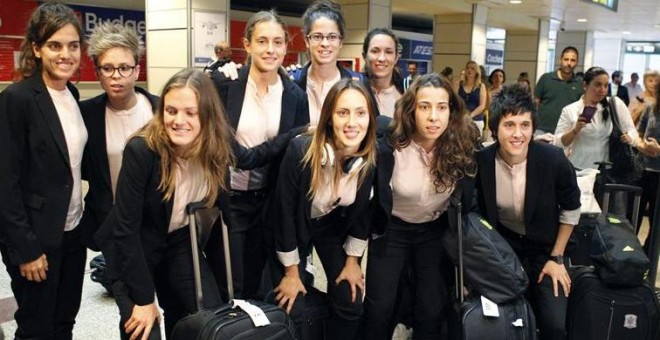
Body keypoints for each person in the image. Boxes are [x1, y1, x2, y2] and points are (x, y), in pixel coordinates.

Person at [99, 69, 235, 340]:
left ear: (207, 116)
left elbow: (221, 223)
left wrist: (228, 296)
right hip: (133, 248)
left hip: (180, 243)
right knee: (143, 330)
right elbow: (126, 230)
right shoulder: (142, 151)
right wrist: (144, 300)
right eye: (171, 111)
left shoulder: (216, 153)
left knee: (206, 323)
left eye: (190, 113)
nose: (178, 120)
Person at [362, 73, 477, 340]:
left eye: (441, 107)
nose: (434, 116)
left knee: (431, 307)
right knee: (380, 305)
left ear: (452, 111)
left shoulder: (462, 144)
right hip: (392, 229)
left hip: (434, 231)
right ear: (412, 110)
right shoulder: (389, 139)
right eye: (425, 107)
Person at [0, 4, 88, 339]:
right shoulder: (17, 99)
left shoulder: (72, 94)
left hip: (72, 232)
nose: (65, 54)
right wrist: (26, 250)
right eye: (55, 45)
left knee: (65, 321)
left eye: (73, 45)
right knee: (36, 328)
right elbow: (4, 183)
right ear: (36, 49)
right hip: (36, 239)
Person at [210, 10, 310, 301]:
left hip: (270, 203)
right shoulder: (225, 85)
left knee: (265, 285)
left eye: (278, 42)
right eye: (262, 41)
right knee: (231, 284)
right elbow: (230, 152)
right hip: (231, 201)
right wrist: (290, 136)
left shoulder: (295, 96)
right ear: (247, 44)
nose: (270, 49)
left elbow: (293, 157)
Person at [271, 79, 377, 340]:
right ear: (329, 117)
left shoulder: (369, 159)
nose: (352, 122)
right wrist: (291, 272)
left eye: (360, 113)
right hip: (290, 230)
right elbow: (283, 216)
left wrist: (352, 262)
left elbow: (363, 214)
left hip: (327, 226)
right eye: (343, 112)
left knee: (351, 299)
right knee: (293, 303)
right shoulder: (301, 151)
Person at [476, 84, 581, 340]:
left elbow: (572, 208)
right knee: (502, 319)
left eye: (525, 125)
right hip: (504, 250)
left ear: (533, 128)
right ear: (495, 128)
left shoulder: (552, 159)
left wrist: (557, 258)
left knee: (554, 324)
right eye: (509, 125)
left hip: (547, 249)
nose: (517, 134)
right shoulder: (482, 162)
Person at [79, 22, 157, 251]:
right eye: (108, 68)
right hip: (112, 225)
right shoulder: (86, 114)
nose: (116, 76)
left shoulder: (159, 110)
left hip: (157, 224)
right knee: (121, 285)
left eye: (124, 67)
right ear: (97, 72)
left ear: (136, 70)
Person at [290, 0, 363, 125]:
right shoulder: (292, 82)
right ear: (307, 41)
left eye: (332, 37)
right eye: (317, 36)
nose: (325, 43)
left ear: (341, 42)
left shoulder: (359, 83)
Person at [554, 67, 639, 172]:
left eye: (606, 85)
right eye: (598, 85)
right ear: (585, 85)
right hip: (577, 170)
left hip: (607, 171)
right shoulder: (570, 110)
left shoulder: (615, 104)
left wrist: (629, 137)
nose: (603, 90)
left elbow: (633, 131)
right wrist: (575, 130)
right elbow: (558, 143)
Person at [634, 81, 660, 254]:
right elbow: (638, 132)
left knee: (656, 222)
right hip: (643, 170)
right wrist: (643, 145)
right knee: (633, 217)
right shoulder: (650, 108)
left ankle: (648, 255)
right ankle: (628, 256)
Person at [535, 46, 584, 134]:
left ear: (577, 62)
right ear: (560, 60)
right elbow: (536, 103)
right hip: (542, 129)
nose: (569, 63)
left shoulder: (580, 84)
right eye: (566, 59)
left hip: (566, 131)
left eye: (573, 60)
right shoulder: (546, 78)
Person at [361, 27, 404, 118]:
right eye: (375, 51)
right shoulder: (353, 91)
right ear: (364, 56)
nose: (382, 58)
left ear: (396, 57)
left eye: (388, 52)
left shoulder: (405, 95)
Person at [454, 60, 487, 135]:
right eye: (468, 68)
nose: (469, 70)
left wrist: (470, 116)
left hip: (476, 119)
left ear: (477, 72)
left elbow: (482, 105)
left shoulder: (481, 86)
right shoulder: (458, 84)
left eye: (472, 69)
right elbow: (454, 100)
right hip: (460, 119)